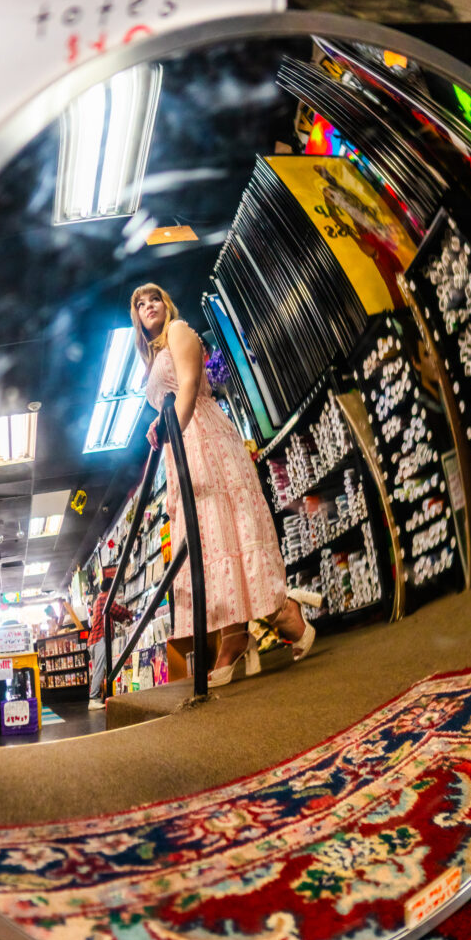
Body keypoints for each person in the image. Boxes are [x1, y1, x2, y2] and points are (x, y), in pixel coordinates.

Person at [131, 283, 320, 687]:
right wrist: (159, 427)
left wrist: (173, 435)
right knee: (211, 539)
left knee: (226, 530)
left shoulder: (179, 330)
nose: (149, 305)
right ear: (136, 318)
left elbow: (187, 387)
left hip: (204, 441)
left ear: (167, 304)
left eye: (154, 299)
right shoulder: (153, 357)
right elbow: (169, 398)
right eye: (140, 304)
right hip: (185, 444)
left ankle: (283, 612)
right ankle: (234, 635)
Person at [87, 576, 132, 708]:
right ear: (110, 588)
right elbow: (117, 610)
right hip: (99, 639)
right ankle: (93, 699)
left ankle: (102, 695)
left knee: (102, 669)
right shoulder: (104, 598)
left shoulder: (99, 599)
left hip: (95, 640)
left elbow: (114, 615)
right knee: (100, 669)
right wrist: (129, 613)